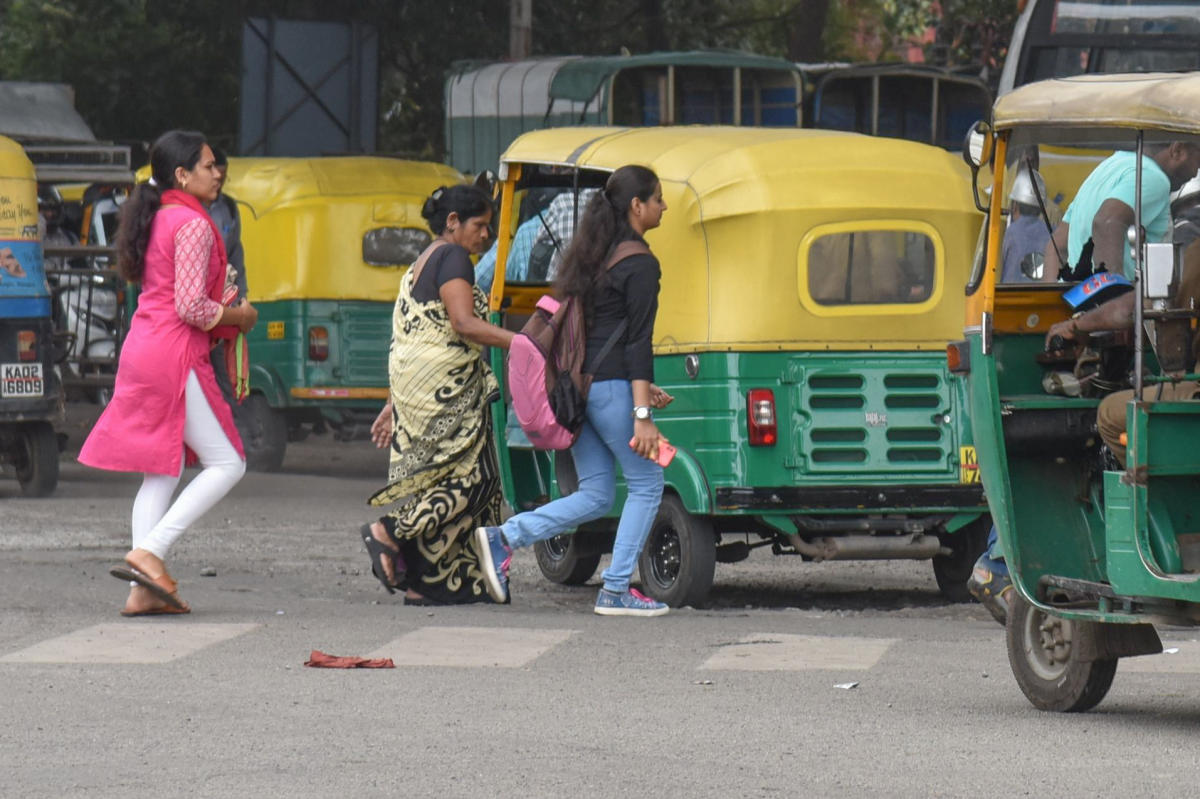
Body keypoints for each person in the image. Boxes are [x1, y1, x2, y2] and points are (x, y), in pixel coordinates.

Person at [474, 165, 676, 617]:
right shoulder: (641, 264)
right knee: (648, 484)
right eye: (658, 198)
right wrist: (641, 414)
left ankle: (504, 537)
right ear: (637, 206)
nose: (664, 206)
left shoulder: (594, 256)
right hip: (612, 394)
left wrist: (641, 390)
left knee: (598, 493)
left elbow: (601, 337)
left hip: (583, 393)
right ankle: (616, 589)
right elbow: (637, 343)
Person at [78, 130, 257, 616]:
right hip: (175, 354)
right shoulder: (194, 224)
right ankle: (149, 553)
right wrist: (239, 316)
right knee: (228, 463)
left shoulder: (158, 216)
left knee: (162, 470)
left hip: (145, 347)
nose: (218, 173)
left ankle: (143, 590)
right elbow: (193, 308)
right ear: (182, 174)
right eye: (208, 166)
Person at [358, 184, 515, 605]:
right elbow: (462, 323)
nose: (486, 235)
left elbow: (412, 336)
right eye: (480, 225)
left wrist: (393, 403)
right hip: (446, 387)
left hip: (418, 385)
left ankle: (426, 582)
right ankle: (390, 530)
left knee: (448, 479)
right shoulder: (453, 258)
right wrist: (521, 343)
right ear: (453, 222)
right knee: (478, 477)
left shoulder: (420, 263)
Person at [1043, 142, 1200, 468]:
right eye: (1198, 156)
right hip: (1124, 313)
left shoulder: (1108, 167)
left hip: (1103, 310)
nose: (1197, 169)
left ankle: (1144, 484)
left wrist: (1070, 313)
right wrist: (1110, 297)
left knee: (1111, 412)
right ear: (1177, 150)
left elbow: (1057, 243)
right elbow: (1107, 223)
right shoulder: (1152, 178)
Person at [205, 147, 250, 424]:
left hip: (224, 307)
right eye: (213, 173)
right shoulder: (184, 210)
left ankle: (233, 432)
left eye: (222, 176)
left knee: (228, 377)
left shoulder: (229, 209)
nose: (217, 181)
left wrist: (241, 299)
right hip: (196, 310)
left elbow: (236, 256)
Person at [999, 163, 1052, 284]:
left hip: (1010, 294)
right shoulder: (1052, 233)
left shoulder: (1011, 233)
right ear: (1040, 209)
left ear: (1015, 206)